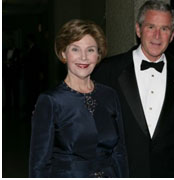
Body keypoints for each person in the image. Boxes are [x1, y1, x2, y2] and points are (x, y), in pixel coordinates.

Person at [93, 0, 174, 177]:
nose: (157, 36)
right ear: (138, 29)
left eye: (164, 29)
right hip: (120, 171)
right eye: (151, 27)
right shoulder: (107, 71)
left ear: (173, 35)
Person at [29, 19, 128, 178]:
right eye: (75, 49)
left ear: (98, 55)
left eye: (90, 50)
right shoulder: (50, 101)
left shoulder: (109, 95)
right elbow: (39, 164)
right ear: (63, 53)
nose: (84, 57)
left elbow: (120, 152)